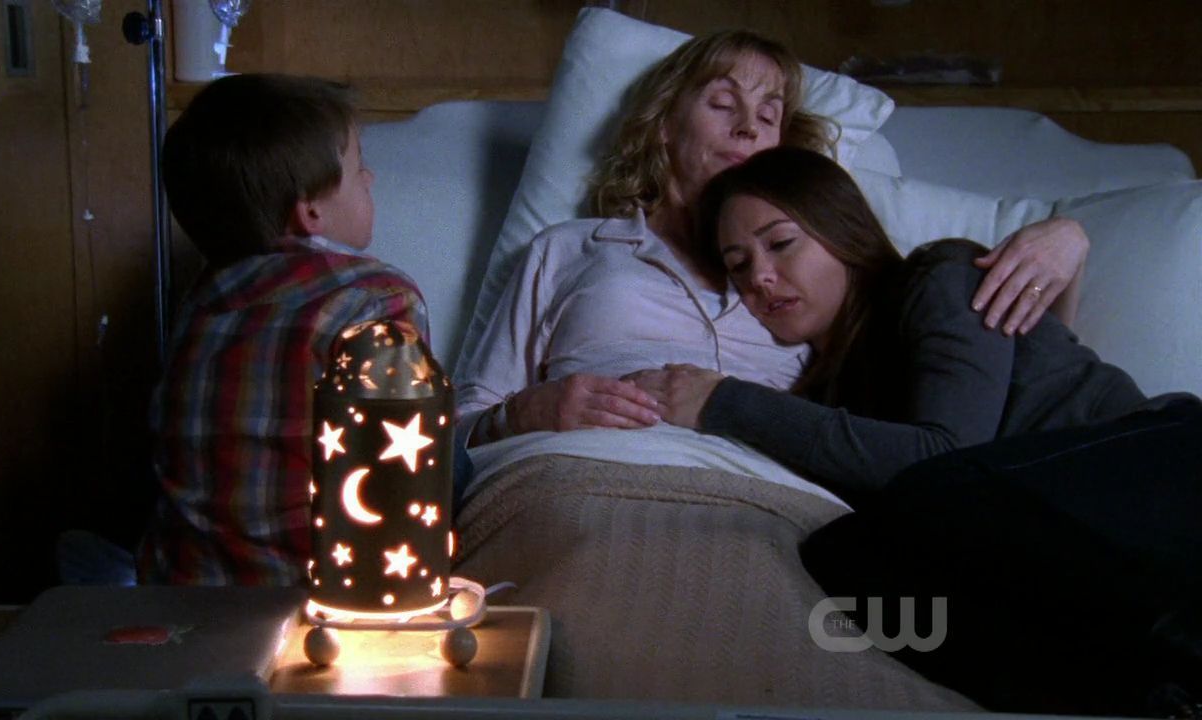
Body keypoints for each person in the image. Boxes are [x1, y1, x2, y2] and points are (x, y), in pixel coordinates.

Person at [628, 145, 1202, 716]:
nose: (760, 277)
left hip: (1165, 463)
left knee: (913, 509)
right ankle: (1146, 699)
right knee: (844, 558)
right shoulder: (837, 395)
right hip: (1075, 537)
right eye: (738, 265)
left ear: (841, 231)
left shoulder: (941, 279)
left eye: (780, 243)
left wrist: (724, 401)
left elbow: (943, 458)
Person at [455, 29, 1090, 455]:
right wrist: (526, 413)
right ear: (664, 126)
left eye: (768, 115)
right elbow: (452, 431)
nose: (747, 127)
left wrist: (1068, 237)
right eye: (722, 103)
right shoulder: (571, 249)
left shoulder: (821, 276)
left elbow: (993, 387)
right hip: (585, 482)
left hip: (781, 516)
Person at [137, 74, 428, 585]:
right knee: (449, 452)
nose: (370, 178)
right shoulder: (376, 298)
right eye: (358, 167)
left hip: (185, 588)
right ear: (310, 210)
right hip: (312, 592)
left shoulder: (199, 301)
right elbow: (400, 479)